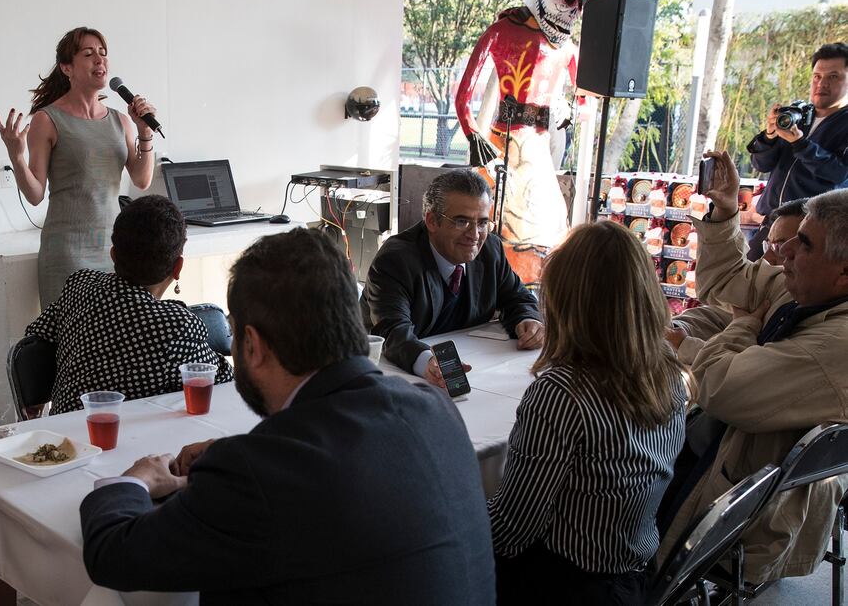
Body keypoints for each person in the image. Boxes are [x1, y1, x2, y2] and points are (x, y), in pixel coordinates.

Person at [80, 229, 497, 604]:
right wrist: (227, 464)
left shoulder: (260, 472)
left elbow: (112, 556)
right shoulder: (435, 408)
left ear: (251, 344)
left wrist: (132, 481)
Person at [658, 150, 848, 584]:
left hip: (745, 516)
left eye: (803, 244)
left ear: (844, 273)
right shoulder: (809, 289)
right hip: (729, 466)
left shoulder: (833, 347)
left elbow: (722, 388)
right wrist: (726, 212)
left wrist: (743, 328)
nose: (783, 255)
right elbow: (727, 283)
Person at [488, 220, 687, 604]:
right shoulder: (667, 370)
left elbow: (509, 532)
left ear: (567, 301)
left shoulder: (563, 392)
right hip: (632, 575)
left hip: (564, 585)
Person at [454, 0, 608, 281]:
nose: (575, 12)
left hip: (538, 147)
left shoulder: (567, 48)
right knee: (494, 225)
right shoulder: (502, 31)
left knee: (545, 228)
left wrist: (568, 108)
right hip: (502, 145)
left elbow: (584, 102)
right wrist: (474, 136)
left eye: (580, 2)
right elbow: (462, 96)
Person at [0, 27, 159, 307]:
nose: (100, 60)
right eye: (88, 53)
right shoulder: (47, 119)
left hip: (113, 251)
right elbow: (35, 195)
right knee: (71, 344)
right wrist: (16, 155)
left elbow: (142, 181)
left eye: (103, 53)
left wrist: (145, 131)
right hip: (67, 254)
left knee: (111, 343)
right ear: (66, 67)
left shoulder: (121, 121)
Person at [25, 196, 232, 414]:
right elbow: (223, 381)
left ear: (113, 254)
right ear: (178, 267)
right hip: (127, 443)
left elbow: (35, 337)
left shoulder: (80, 285)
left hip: (62, 438)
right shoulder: (176, 326)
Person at [361, 169, 543, 388]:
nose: (475, 235)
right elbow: (392, 331)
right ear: (431, 221)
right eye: (461, 221)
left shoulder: (491, 249)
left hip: (475, 367)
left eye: (483, 223)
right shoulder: (396, 260)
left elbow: (518, 298)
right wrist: (426, 361)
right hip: (391, 373)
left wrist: (528, 321)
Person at [667, 197, 808, 364]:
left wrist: (685, 345)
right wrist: (674, 328)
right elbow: (716, 316)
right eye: (767, 246)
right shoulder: (774, 294)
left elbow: (743, 375)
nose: (766, 258)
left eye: (780, 248)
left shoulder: (814, 325)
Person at [745, 42, 848, 260]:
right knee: (746, 286)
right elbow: (761, 165)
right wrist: (770, 136)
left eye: (833, 77)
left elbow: (838, 173)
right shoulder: (799, 115)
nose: (822, 84)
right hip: (770, 225)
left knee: (788, 293)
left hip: (810, 233)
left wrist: (800, 144)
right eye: (817, 76)